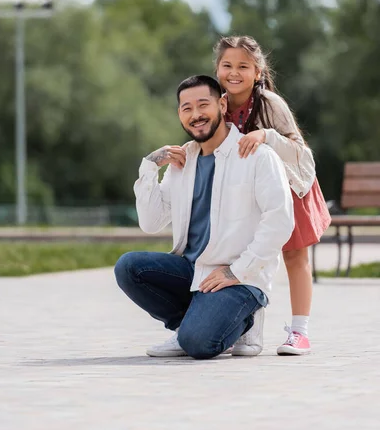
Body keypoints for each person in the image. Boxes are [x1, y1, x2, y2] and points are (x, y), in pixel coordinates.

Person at [114, 74, 294, 359]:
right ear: (180, 115)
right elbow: (151, 223)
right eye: (187, 108)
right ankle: (188, 327)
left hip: (241, 276)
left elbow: (280, 221)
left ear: (222, 104)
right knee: (129, 267)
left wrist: (238, 271)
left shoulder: (257, 155)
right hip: (193, 271)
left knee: (199, 344)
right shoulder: (182, 161)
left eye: (203, 105)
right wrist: (149, 167)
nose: (196, 115)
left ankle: (246, 320)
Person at [214, 35, 331, 355]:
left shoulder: (270, 104)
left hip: (291, 187)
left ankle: (300, 332)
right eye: (227, 65)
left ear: (257, 71)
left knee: (295, 257)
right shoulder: (217, 103)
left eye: (243, 66)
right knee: (245, 257)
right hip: (249, 193)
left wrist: (266, 136)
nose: (234, 72)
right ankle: (246, 330)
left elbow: (298, 151)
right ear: (217, 69)